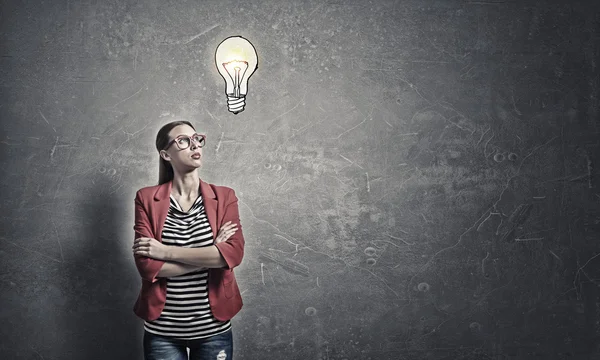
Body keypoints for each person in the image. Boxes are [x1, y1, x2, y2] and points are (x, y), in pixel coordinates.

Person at [131, 120, 244, 360]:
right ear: (165, 154)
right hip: (162, 332)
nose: (195, 145)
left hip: (214, 330)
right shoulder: (146, 198)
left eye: (196, 139)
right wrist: (213, 254)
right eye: (183, 141)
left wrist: (165, 252)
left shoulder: (224, 197)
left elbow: (233, 255)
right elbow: (148, 267)